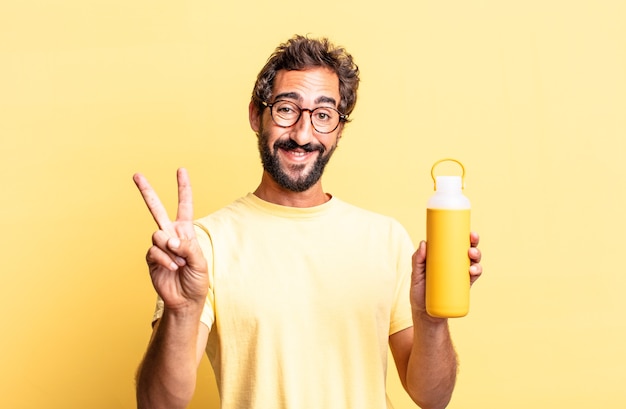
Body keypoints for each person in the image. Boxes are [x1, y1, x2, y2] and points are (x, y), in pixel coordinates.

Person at [133, 35, 483, 409]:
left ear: (339, 129)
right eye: (286, 109)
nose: (302, 134)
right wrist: (181, 311)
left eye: (323, 116)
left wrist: (430, 320)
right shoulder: (203, 246)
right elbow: (159, 406)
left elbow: (433, 398)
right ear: (256, 115)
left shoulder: (386, 239)